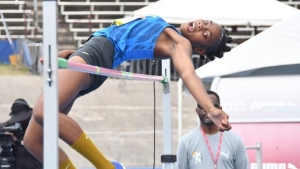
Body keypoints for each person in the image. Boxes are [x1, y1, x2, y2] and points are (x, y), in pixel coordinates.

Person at [24, 15, 233, 169]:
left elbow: (188, 73)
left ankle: (107, 167)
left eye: (205, 34)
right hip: (91, 53)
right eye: (205, 22)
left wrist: (209, 107)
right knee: (33, 141)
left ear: (200, 50)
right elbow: (119, 35)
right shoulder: (169, 30)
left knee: (44, 112)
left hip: (96, 56)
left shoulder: (180, 43)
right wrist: (73, 53)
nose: (200, 26)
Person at [176, 90, 250, 169]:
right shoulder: (186, 142)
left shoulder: (235, 140)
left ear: (220, 109)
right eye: (202, 106)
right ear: (197, 111)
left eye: (213, 106)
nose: (207, 110)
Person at [0, 98, 43, 169]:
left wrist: (16, 140)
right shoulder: (10, 126)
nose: (22, 121)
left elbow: (34, 145)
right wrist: (4, 131)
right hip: (17, 164)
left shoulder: (37, 127)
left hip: (35, 165)